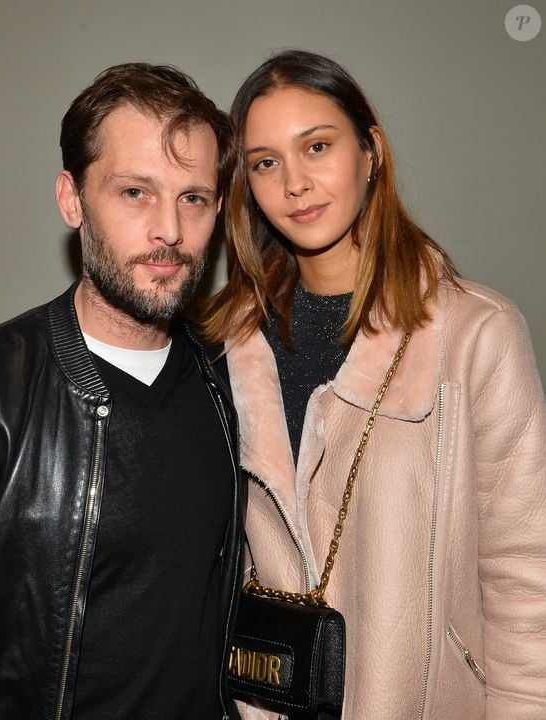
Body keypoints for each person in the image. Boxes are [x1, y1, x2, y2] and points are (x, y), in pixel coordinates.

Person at [203, 50, 546, 719]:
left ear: (371, 152)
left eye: (318, 146)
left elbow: (525, 576)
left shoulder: (476, 332)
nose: (295, 183)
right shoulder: (224, 347)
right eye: (266, 162)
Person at [0, 62, 244, 720]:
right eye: (135, 193)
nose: (169, 231)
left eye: (194, 198)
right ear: (72, 198)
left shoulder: (231, 386)